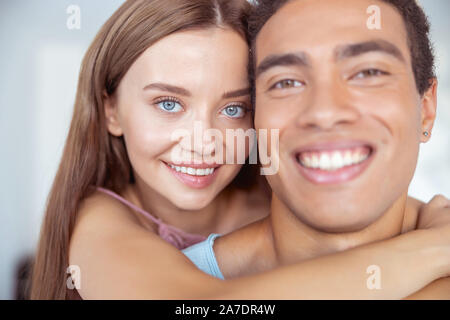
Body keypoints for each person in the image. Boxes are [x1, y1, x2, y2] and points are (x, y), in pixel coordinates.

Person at [31, 0, 450, 300]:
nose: (203, 141)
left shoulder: (282, 187)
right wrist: (432, 248)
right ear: (111, 111)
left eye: (233, 108)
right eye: (168, 103)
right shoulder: (99, 219)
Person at [183, 0, 450, 299]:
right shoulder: (166, 285)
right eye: (286, 82)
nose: (324, 112)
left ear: (426, 110)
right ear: (255, 120)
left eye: (369, 73)